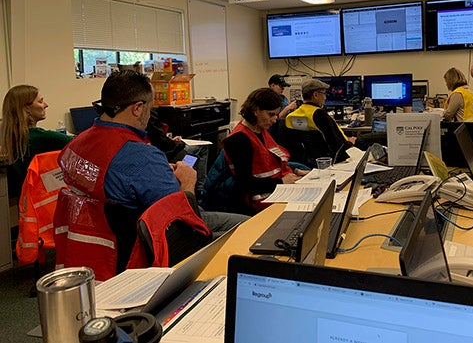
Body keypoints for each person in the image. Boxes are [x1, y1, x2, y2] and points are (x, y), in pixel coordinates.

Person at [56, 70, 247, 279]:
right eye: (151, 108)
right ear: (138, 108)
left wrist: (158, 173)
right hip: (149, 245)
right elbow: (182, 221)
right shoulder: (142, 157)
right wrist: (188, 182)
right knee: (248, 226)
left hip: (97, 251)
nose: (151, 115)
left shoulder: (74, 145)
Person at [203, 88, 308, 215]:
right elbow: (245, 184)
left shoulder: (261, 130)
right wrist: (281, 182)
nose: (275, 119)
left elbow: (269, 163)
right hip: (254, 203)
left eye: (276, 114)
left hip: (272, 192)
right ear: (255, 111)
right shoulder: (239, 140)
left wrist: (296, 171)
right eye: (271, 114)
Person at [1, 85, 72, 199]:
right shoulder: (39, 137)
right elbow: (82, 142)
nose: (46, 105)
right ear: (27, 109)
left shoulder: (11, 137)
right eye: (40, 101)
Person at [285, 79, 356, 165]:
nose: (325, 98)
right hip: (335, 159)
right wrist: (350, 143)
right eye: (324, 94)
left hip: (309, 160)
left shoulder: (291, 117)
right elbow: (336, 144)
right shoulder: (319, 114)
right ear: (315, 95)